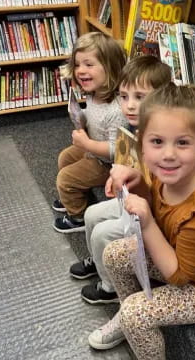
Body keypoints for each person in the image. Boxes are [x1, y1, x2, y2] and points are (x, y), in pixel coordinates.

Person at [87, 83, 195, 359]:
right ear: (142, 143)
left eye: (183, 142)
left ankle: (132, 323)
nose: (168, 154)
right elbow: (156, 207)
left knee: (136, 314)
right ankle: (126, 320)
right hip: (179, 260)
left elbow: (178, 277)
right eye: (157, 142)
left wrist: (148, 223)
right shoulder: (165, 172)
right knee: (113, 253)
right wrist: (138, 184)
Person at [69, 55, 173, 305]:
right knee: (92, 215)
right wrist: (118, 176)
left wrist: (132, 181)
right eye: (124, 97)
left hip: (154, 215)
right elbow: (128, 163)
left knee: (102, 233)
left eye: (140, 97)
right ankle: (99, 259)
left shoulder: (164, 140)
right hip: (136, 200)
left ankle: (110, 287)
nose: (129, 106)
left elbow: (158, 194)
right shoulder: (136, 128)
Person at [52, 32, 127, 233]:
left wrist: (86, 144)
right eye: (77, 65)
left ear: (110, 68)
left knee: (65, 179)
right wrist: (81, 115)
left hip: (107, 164)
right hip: (93, 147)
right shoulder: (96, 94)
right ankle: (74, 194)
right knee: (65, 158)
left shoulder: (117, 110)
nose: (80, 71)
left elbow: (115, 151)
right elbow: (94, 115)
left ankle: (77, 217)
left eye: (88, 64)